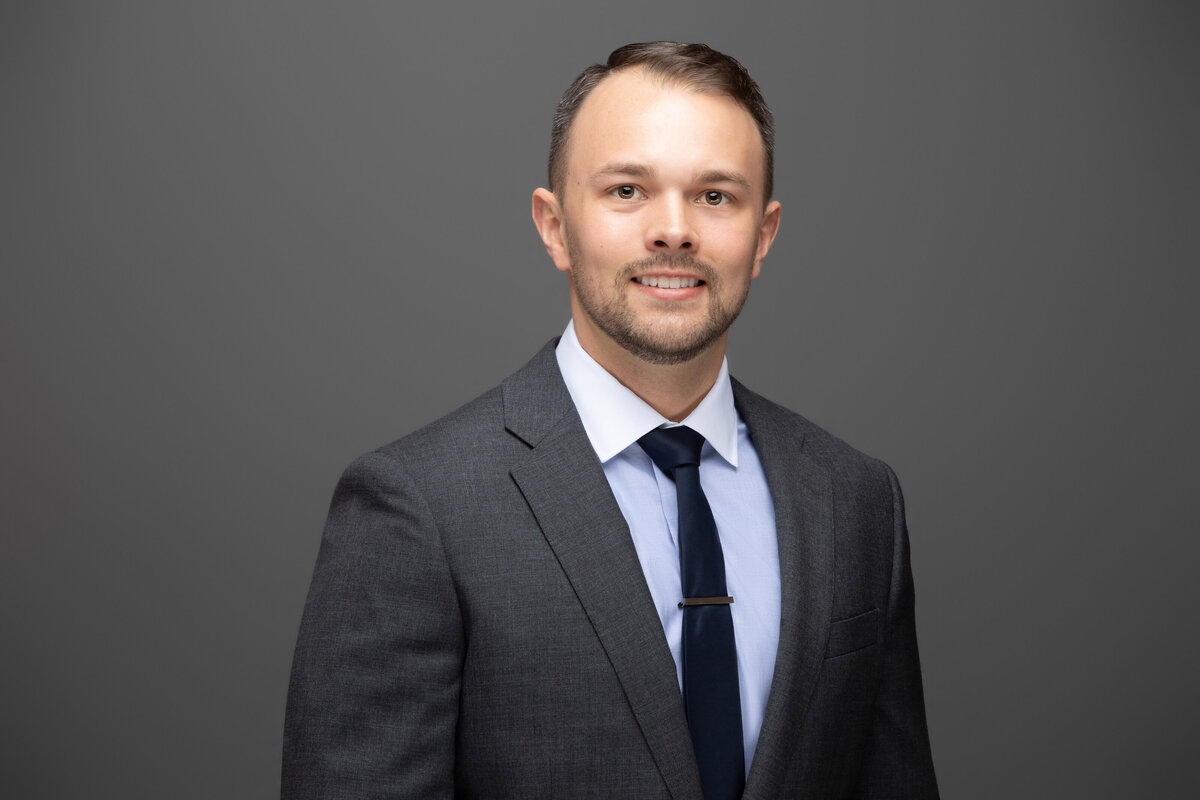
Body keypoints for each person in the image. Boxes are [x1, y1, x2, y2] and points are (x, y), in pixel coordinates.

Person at [282, 41, 939, 799]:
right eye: (628, 190)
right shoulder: (416, 509)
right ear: (554, 226)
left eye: (716, 196)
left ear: (763, 237)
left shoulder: (857, 502)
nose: (673, 230)